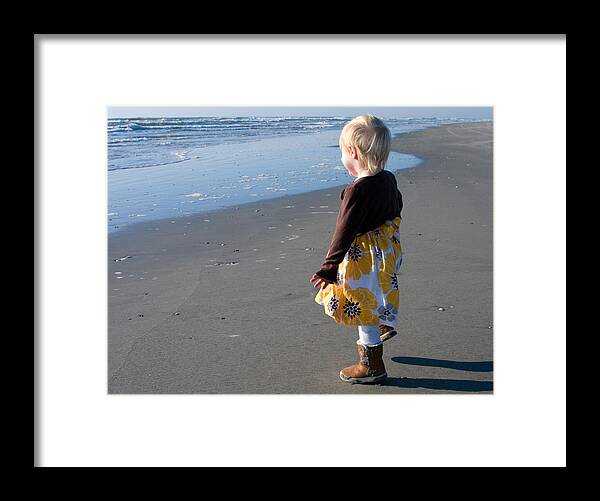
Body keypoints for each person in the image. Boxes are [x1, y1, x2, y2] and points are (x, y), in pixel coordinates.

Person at [310, 115, 403, 384]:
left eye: (342, 152)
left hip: (363, 258)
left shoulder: (356, 191)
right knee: (378, 291)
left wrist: (328, 268)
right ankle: (385, 322)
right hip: (387, 251)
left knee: (361, 304)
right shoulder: (388, 178)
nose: (342, 159)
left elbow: (344, 232)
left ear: (353, 152)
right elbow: (397, 205)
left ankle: (372, 366)